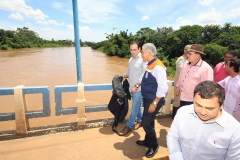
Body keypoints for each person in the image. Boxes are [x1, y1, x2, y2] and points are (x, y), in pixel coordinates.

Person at [167, 80, 240, 160]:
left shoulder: (235, 130)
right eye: (198, 105)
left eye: (209, 108)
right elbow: (173, 136)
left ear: (221, 105)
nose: (202, 112)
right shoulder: (183, 112)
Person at [136, 43, 168, 158]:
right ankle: (147, 140)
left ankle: (154, 145)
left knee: (146, 122)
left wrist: (155, 102)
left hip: (154, 100)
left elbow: (163, 87)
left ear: (149, 53)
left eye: (143, 52)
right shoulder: (150, 64)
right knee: (149, 121)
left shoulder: (158, 67)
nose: (141, 54)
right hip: (148, 98)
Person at [118, 41, 147, 136]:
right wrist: (125, 75)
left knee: (134, 108)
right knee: (138, 106)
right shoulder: (131, 60)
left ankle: (129, 126)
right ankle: (141, 120)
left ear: (139, 49)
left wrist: (137, 85)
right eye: (131, 50)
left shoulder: (143, 59)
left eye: (135, 49)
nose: (133, 52)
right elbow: (130, 71)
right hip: (131, 88)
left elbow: (144, 74)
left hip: (138, 89)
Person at [218, 58, 240, 122]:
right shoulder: (228, 79)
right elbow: (217, 85)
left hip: (236, 116)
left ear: (232, 68)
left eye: (227, 65)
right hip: (226, 112)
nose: (225, 66)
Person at [172, 45, 190, 119]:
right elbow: (183, 70)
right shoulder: (181, 60)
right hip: (179, 85)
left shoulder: (189, 60)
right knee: (177, 101)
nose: (190, 53)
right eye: (189, 52)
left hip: (186, 86)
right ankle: (174, 117)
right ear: (185, 51)